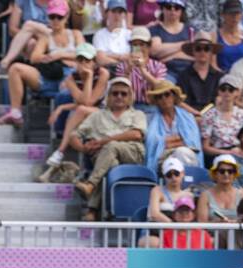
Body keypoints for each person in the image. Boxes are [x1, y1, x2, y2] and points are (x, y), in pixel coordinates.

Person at [0, 0, 82, 128]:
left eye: (59, 17)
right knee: (16, 68)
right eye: (52, 17)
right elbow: (35, 57)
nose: (56, 20)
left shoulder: (75, 34)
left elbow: (84, 54)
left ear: (66, 17)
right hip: (49, 76)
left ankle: (61, 129)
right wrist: (62, 59)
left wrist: (58, 55)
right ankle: (15, 112)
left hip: (70, 79)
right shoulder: (45, 37)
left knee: (68, 85)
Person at [70, 75, 147, 218]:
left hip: (132, 153)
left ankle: (91, 190)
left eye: (123, 94)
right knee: (111, 164)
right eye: (115, 93)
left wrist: (105, 140)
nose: (119, 96)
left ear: (130, 97)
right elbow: (74, 135)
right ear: (108, 95)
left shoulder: (137, 114)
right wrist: (83, 148)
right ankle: (105, 210)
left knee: (111, 146)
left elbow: (136, 135)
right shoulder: (97, 116)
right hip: (103, 158)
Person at [43, 43, 109, 170]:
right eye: (80, 59)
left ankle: (60, 151)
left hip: (104, 111)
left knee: (78, 112)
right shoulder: (70, 79)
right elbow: (82, 102)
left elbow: (89, 102)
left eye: (87, 60)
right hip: (84, 112)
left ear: (94, 61)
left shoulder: (102, 73)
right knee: (76, 118)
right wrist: (61, 108)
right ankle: (78, 164)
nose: (84, 63)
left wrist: (88, 77)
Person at [144, 78, 203, 168]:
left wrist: (167, 142)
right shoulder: (150, 120)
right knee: (181, 153)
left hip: (186, 155)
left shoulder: (188, 118)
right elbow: (152, 144)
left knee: (182, 153)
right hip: (162, 158)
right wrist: (178, 140)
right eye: (159, 97)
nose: (163, 99)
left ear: (174, 97)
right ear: (156, 101)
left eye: (167, 94)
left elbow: (192, 142)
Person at [200, 72, 243, 158]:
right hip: (218, 154)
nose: (227, 92)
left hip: (240, 153)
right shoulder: (209, 115)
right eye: (223, 89)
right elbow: (205, 147)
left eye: (231, 89)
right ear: (219, 92)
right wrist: (226, 153)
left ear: (237, 92)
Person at [112, 25, 168, 103]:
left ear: (149, 46)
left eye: (142, 45)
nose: (139, 48)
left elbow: (160, 87)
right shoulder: (122, 66)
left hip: (152, 106)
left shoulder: (159, 66)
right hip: (129, 105)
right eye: (135, 45)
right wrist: (128, 70)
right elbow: (120, 90)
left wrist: (143, 70)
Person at [177, 30, 224, 109]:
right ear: (193, 52)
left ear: (211, 52)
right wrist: (196, 115)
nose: (202, 52)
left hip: (214, 116)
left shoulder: (219, 77)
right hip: (190, 116)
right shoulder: (183, 76)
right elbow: (182, 102)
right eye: (198, 49)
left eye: (206, 49)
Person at [147, 154, 194, 220]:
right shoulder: (157, 191)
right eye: (169, 175)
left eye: (176, 173)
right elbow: (154, 214)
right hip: (159, 229)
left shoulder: (189, 195)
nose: (173, 177)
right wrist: (173, 227)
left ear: (182, 173)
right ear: (164, 176)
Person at [217, 0, 243, 72]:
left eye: (237, 13)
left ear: (242, 15)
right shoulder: (215, 36)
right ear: (223, 15)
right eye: (230, 13)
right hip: (222, 77)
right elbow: (212, 64)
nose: (234, 17)